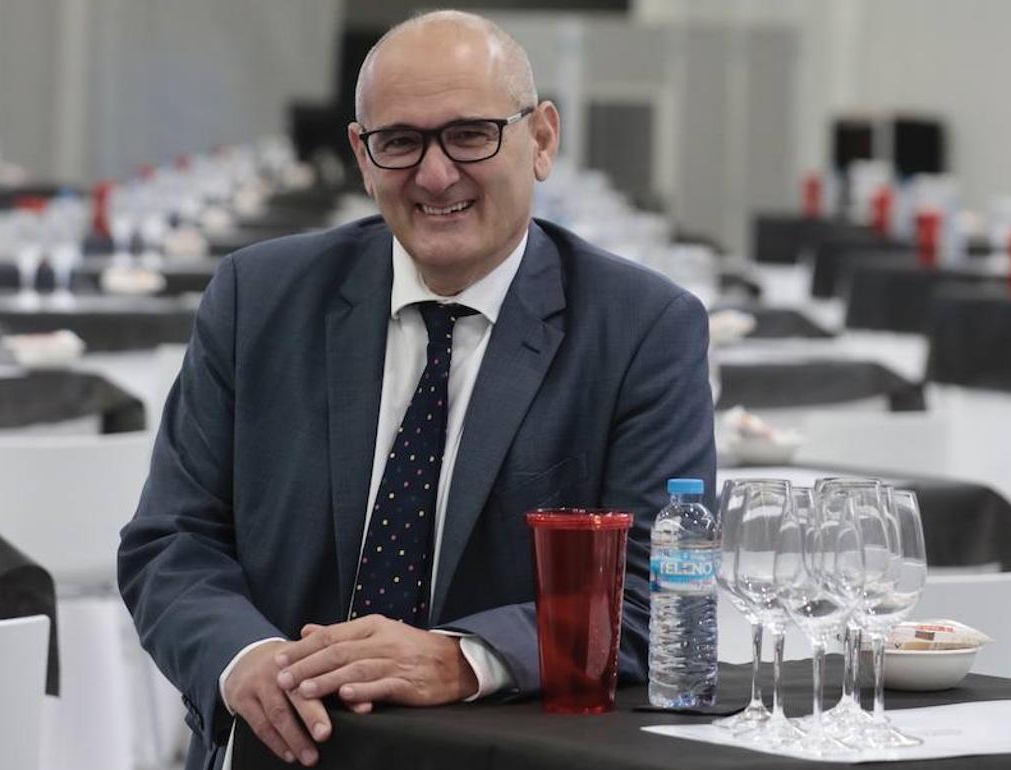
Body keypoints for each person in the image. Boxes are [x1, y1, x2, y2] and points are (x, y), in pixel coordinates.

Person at [117, 10, 715, 770]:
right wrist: (248, 661)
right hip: (283, 751)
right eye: (400, 142)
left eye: (471, 134)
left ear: (541, 140)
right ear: (362, 158)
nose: (435, 175)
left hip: (502, 754)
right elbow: (170, 540)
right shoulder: (257, 299)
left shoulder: (640, 330)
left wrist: (464, 659)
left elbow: (656, 603)